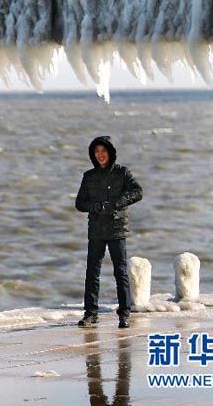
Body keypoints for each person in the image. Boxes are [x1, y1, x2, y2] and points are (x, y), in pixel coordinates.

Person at [75, 136, 142, 328]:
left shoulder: (122, 172)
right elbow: (79, 203)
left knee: (120, 271)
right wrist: (96, 206)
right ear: (92, 155)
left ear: (110, 153)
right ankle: (90, 313)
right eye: (96, 152)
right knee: (92, 272)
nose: (100, 155)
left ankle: (124, 314)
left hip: (117, 228)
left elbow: (138, 192)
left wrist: (116, 204)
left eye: (103, 151)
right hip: (96, 229)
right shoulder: (88, 176)